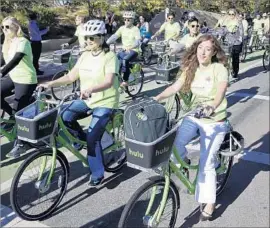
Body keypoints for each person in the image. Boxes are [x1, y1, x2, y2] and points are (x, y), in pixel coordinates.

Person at [154, 34, 229, 221]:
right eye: (200, 48)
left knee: (207, 163)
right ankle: (184, 166)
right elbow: (175, 87)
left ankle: (209, 202)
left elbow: (220, 92)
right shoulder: (190, 67)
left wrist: (212, 106)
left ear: (214, 52)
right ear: (196, 48)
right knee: (174, 147)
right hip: (195, 117)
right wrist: (156, 99)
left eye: (208, 49)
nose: (203, 52)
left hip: (214, 120)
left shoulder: (219, 69)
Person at [39, 20, 120, 186]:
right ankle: (82, 140)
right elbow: (70, 77)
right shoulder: (84, 56)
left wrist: (91, 89)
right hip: (87, 100)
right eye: (86, 38)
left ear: (102, 37)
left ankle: (98, 172)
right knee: (64, 116)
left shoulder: (110, 56)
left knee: (93, 139)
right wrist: (49, 84)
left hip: (105, 101)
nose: (88, 41)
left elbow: (109, 81)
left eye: (92, 38)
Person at [1, 16, 37, 157]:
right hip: (13, 77)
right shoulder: (7, 42)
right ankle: (11, 117)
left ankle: (21, 144)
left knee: (19, 112)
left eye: (7, 27)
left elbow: (16, 59)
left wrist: (2, 72)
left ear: (16, 27)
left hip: (26, 79)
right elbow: (2, 59)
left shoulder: (23, 42)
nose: (4, 30)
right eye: (2, 27)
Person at [106, 11, 140, 87]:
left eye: (129, 20)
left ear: (132, 20)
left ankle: (126, 80)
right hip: (124, 50)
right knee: (115, 61)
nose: (126, 21)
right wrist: (106, 43)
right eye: (125, 19)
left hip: (134, 50)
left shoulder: (135, 29)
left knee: (125, 60)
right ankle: (117, 79)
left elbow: (138, 42)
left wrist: (131, 47)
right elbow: (115, 36)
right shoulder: (122, 28)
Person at [222, 8, 244, 79]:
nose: (231, 15)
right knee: (225, 57)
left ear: (235, 14)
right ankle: (226, 71)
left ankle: (235, 71)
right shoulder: (226, 22)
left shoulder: (238, 21)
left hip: (236, 42)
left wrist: (240, 39)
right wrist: (219, 36)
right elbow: (223, 31)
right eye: (230, 14)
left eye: (233, 14)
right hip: (227, 41)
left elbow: (241, 31)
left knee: (235, 58)